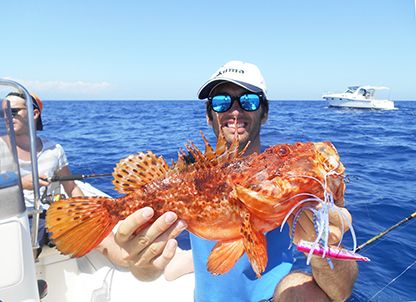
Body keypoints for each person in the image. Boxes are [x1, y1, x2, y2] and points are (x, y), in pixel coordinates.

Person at [107, 60, 358, 301]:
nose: (235, 111)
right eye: (221, 101)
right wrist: (143, 265)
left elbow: (342, 291)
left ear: (264, 112)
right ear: (209, 116)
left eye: (248, 101)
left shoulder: (293, 183)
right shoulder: (189, 178)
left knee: (304, 294)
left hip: (280, 297)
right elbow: (147, 267)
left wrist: (324, 247)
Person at [1, 92, 84, 248]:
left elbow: (71, 188)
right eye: (2, 112)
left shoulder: (54, 150)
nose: (6, 116)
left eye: (13, 111)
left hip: (46, 217)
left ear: (34, 114)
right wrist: (19, 182)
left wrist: (86, 212)